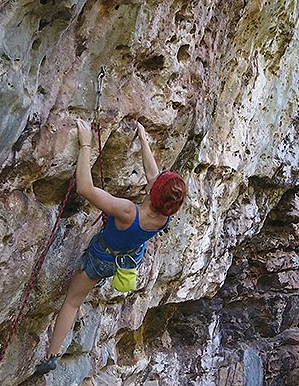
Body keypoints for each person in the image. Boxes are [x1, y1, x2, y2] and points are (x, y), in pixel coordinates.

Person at [34, 119, 187, 375]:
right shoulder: (165, 215)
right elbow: (154, 178)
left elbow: (85, 188)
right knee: (75, 301)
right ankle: (52, 355)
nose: (154, 178)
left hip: (100, 259)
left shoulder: (128, 211)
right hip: (124, 260)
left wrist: (85, 144)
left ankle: (52, 355)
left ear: (152, 193)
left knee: (72, 302)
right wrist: (142, 140)